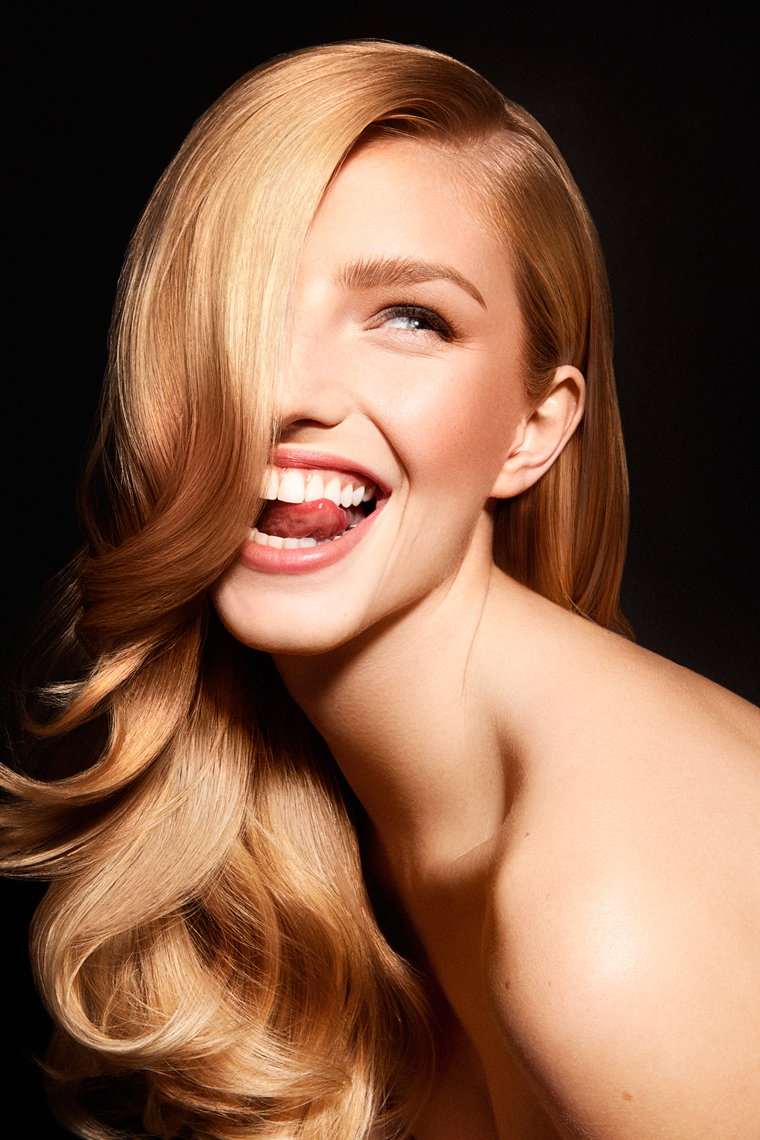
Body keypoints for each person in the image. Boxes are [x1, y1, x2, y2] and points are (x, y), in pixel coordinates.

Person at [2, 39, 758, 1140]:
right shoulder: (354, 834)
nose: (283, 389)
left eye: (409, 316)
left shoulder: (609, 917)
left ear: (533, 429)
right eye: (233, 310)